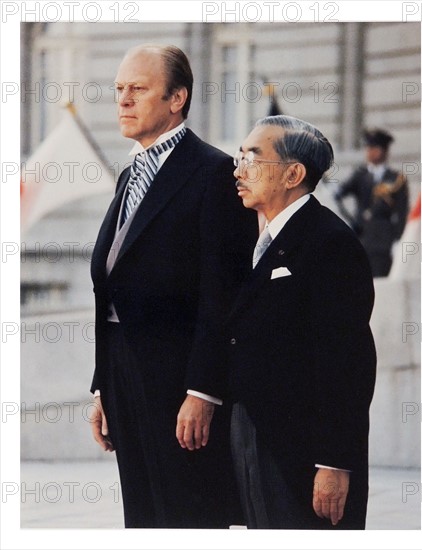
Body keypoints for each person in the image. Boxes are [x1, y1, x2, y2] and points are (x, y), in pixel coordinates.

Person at [89, 43, 257, 528]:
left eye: (138, 89)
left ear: (176, 98)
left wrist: (203, 390)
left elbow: (222, 294)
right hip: (124, 373)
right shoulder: (129, 174)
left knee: (187, 517)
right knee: (141, 519)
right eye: (120, 89)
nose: (123, 100)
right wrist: (103, 386)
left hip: (179, 382)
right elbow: (112, 284)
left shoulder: (213, 174)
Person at [228, 115, 377, 529]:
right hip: (252, 432)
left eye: (253, 158)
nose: (238, 170)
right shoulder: (257, 241)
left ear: (293, 173)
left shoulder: (330, 243)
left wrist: (334, 463)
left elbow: (348, 364)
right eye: (239, 157)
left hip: (303, 452)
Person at [334, 128, 409, 277]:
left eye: (374, 148)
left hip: (383, 241)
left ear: (385, 151)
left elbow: (402, 212)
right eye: (368, 148)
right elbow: (338, 195)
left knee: (380, 282)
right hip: (361, 238)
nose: (370, 152)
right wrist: (351, 221)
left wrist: (398, 239)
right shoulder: (360, 175)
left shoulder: (396, 179)